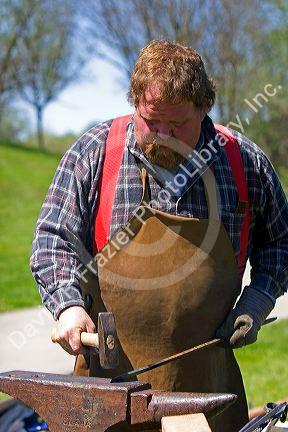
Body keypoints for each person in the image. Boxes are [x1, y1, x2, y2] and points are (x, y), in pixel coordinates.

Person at [30, 40, 288, 431]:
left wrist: (258, 298)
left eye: (177, 124)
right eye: (152, 121)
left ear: (204, 109)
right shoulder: (97, 153)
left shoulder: (244, 163)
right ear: (135, 104)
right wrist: (68, 307)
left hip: (208, 390)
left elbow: (281, 241)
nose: (162, 134)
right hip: (106, 390)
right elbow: (53, 239)